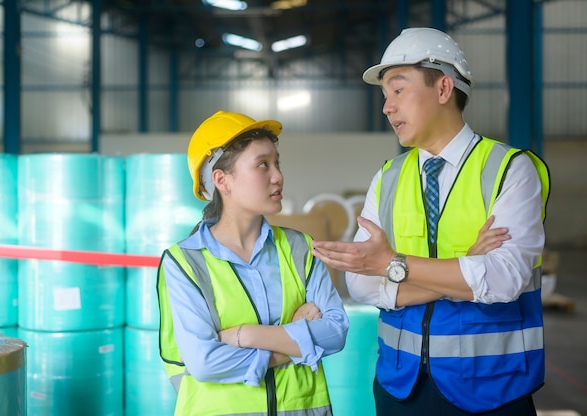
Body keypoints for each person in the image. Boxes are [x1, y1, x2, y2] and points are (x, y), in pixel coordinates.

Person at [311, 27, 550, 415]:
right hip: (399, 387)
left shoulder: (509, 170)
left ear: (443, 89)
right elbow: (361, 284)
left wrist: (393, 266)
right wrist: (462, 271)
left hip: (491, 388)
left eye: (398, 90)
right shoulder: (388, 177)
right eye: (385, 95)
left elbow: (505, 279)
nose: (387, 107)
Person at [156, 110, 349, 416]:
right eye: (262, 164)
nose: (278, 176)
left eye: (277, 163)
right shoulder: (184, 263)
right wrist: (294, 337)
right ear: (222, 180)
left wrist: (244, 335)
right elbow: (204, 362)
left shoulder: (299, 247)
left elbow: (336, 332)